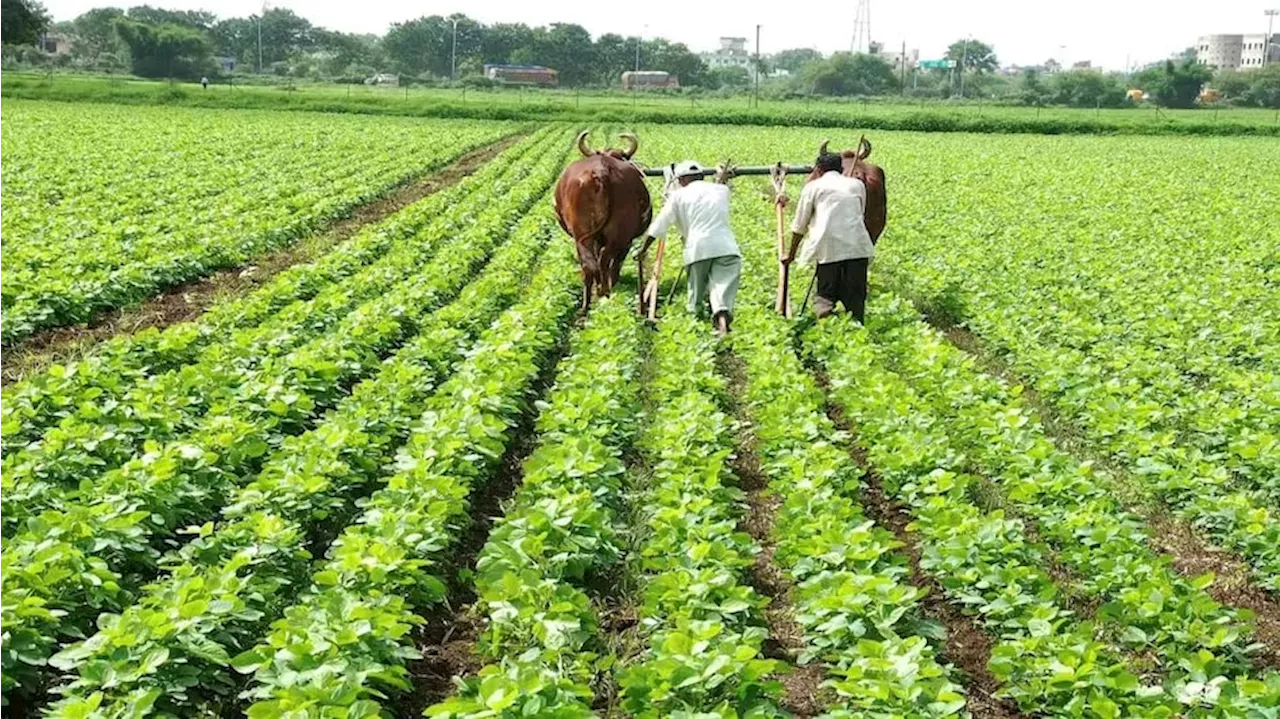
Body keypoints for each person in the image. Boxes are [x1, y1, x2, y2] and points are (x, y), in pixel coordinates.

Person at [636, 160, 741, 334]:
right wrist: (722, 177)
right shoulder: (722, 190)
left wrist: (643, 249)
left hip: (698, 249)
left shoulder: (677, 196)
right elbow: (720, 185)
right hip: (727, 248)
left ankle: (695, 332)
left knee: (696, 294)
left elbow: (658, 227)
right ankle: (722, 321)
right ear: (701, 176)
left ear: (682, 179)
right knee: (722, 290)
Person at [783, 152, 876, 323]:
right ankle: (854, 332)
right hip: (858, 247)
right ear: (841, 168)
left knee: (825, 295)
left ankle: (826, 323)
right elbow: (859, 213)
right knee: (855, 300)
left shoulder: (812, 187)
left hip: (828, 249)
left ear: (818, 170)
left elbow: (799, 226)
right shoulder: (857, 185)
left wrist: (791, 255)